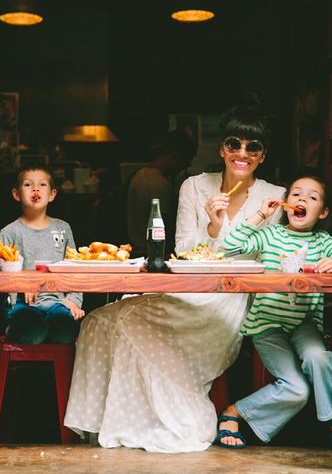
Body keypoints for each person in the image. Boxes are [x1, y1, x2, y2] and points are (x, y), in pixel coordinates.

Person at [64, 98, 285, 452]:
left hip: (229, 303)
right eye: (234, 144)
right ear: (222, 148)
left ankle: (160, 420)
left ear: (262, 155)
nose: (242, 153)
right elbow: (182, 251)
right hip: (187, 290)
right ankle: (106, 423)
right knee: (99, 321)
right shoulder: (195, 187)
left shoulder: (274, 197)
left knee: (124, 323)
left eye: (252, 146)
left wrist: (222, 234)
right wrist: (212, 227)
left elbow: (267, 257)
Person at [217, 175, 332, 452]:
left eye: (313, 197)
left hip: (303, 324)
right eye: (296, 194)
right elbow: (230, 246)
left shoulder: (322, 241)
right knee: (297, 391)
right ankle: (234, 411)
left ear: (324, 212)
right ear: (285, 203)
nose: (302, 200)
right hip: (267, 325)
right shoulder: (270, 235)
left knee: (319, 357)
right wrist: (260, 215)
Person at [0, 165, 84, 344]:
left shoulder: (63, 228)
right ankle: (17, 328)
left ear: (52, 194)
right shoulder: (10, 232)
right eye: (28, 185)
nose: (36, 189)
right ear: (16, 194)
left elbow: (75, 268)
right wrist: (22, 283)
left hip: (57, 303)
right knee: (34, 332)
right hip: (21, 304)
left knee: (66, 332)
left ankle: (47, 329)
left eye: (42, 185)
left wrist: (73, 300)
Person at [127, 129, 197, 257]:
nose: (185, 167)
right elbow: (164, 225)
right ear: (174, 155)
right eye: (186, 161)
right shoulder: (159, 183)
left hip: (136, 248)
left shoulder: (139, 174)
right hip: (152, 252)